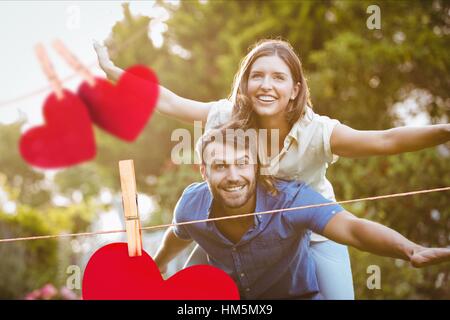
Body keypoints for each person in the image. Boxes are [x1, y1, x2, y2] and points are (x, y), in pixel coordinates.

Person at [94, 39, 450, 299]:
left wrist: (444, 131)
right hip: (236, 227)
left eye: (278, 78)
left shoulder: (318, 132)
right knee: (189, 294)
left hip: (312, 230)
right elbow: (169, 101)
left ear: (295, 90)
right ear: (245, 84)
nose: (266, 85)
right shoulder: (226, 116)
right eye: (257, 76)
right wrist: (114, 73)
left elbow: (386, 140)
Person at [153, 126, 450, 299]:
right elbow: (179, 233)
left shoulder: (290, 200)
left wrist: (409, 249)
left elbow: (353, 229)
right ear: (204, 171)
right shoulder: (191, 204)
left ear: (255, 166)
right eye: (220, 166)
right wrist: (158, 264)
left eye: (242, 163)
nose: (233, 175)